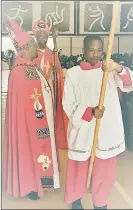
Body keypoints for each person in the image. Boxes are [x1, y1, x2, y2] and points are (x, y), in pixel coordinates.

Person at [62, 35, 133, 209]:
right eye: (91, 50)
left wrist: (118, 68)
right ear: (83, 51)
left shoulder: (110, 71)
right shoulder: (73, 74)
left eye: (99, 50)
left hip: (106, 133)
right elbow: (67, 103)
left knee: (103, 174)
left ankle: (101, 204)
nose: (95, 54)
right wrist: (90, 111)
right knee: (78, 172)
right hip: (82, 131)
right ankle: (76, 202)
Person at [3, 18, 60, 200]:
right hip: (32, 127)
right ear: (27, 49)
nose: (37, 48)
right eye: (34, 45)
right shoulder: (22, 71)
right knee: (30, 151)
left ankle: (38, 182)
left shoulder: (28, 67)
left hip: (38, 122)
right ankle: (31, 185)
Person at [33, 20, 67, 149]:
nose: (43, 38)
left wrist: (56, 73)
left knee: (49, 121)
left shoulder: (52, 54)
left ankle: (50, 146)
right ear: (35, 35)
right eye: (40, 35)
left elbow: (59, 74)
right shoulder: (31, 53)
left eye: (45, 35)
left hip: (49, 94)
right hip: (35, 94)